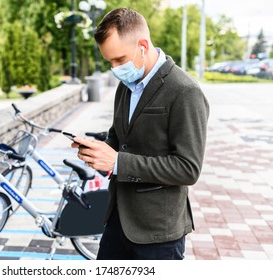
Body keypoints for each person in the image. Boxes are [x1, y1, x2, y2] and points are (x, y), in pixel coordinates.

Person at [72, 8, 209, 260]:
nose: (115, 69)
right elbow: (120, 137)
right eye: (109, 61)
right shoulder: (125, 87)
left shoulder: (185, 91)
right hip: (117, 220)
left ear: (143, 45)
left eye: (119, 59)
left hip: (158, 233)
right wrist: (98, 148)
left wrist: (117, 162)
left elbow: (188, 168)